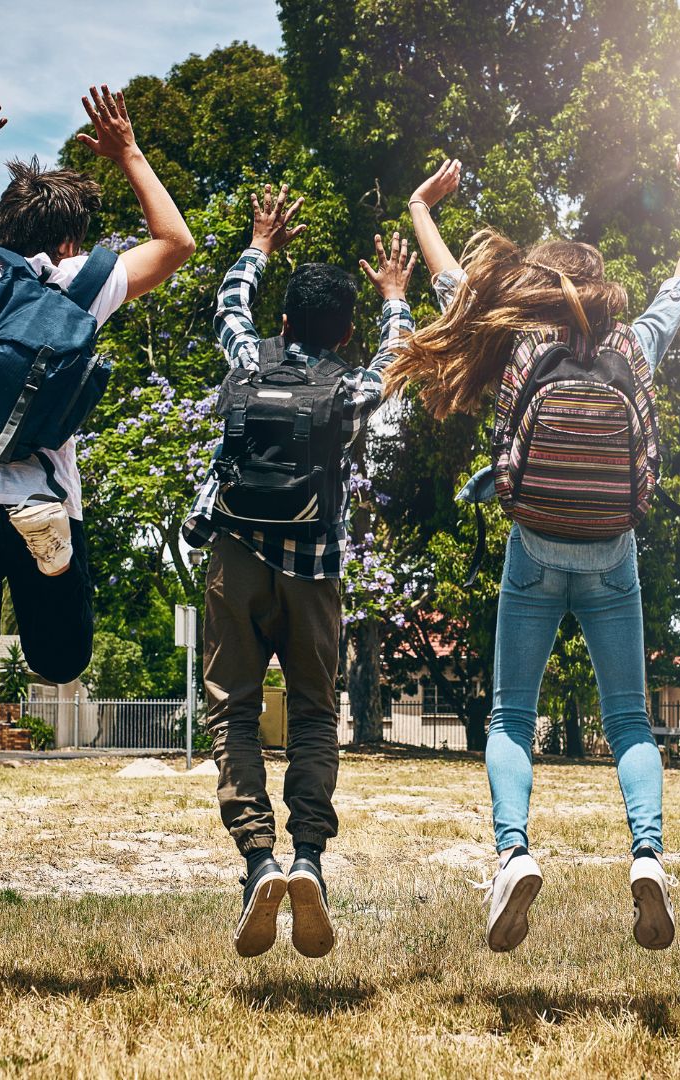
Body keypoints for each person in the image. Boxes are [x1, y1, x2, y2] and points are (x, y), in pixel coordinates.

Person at [389, 146, 680, 952]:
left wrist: (421, 210)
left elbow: (449, 284)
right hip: (613, 548)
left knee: (511, 712)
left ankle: (513, 854)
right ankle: (646, 858)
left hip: (534, 543)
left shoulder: (515, 341)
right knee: (631, 720)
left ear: (539, 285)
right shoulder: (635, 344)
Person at [183, 183, 417, 958]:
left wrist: (258, 244)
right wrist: (393, 295)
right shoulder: (349, 388)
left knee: (234, 713)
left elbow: (228, 306)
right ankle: (309, 857)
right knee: (316, 714)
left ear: (284, 323)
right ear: (343, 328)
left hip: (236, 561)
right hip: (313, 571)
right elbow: (399, 356)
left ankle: (257, 862)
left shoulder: (248, 364)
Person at [0, 87, 194, 691]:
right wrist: (130, 156)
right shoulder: (76, 281)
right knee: (60, 658)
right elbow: (177, 244)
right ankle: (47, 537)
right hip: (45, 495)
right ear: (68, 242)